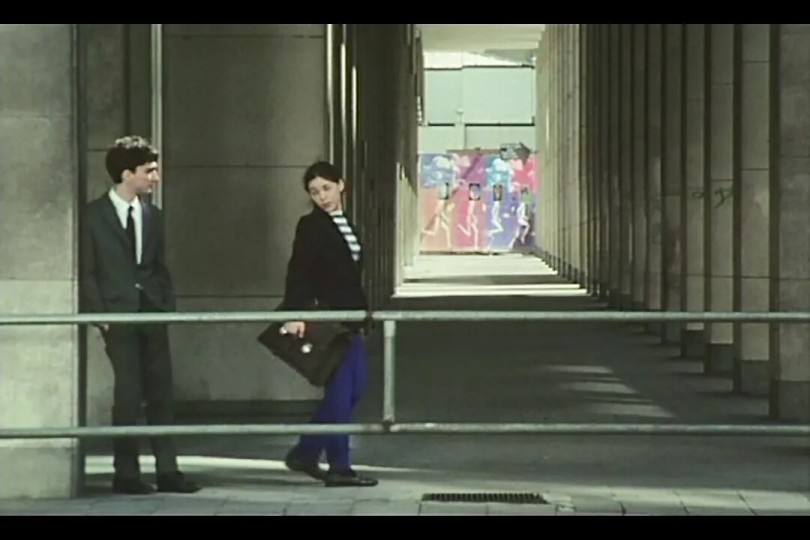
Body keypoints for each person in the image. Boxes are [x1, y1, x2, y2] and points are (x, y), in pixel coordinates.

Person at [80, 136, 200, 495]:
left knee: (162, 392)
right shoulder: (92, 216)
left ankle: (168, 470)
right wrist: (100, 315)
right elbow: (87, 271)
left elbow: (158, 266)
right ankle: (126, 474)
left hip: (152, 312)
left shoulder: (153, 215)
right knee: (129, 394)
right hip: (118, 315)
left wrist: (167, 305)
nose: (155, 178)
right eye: (149, 171)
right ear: (126, 173)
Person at [281, 161, 378, 488]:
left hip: (351, 318)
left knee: (356, 388)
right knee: (340, 393)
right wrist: (294, 314)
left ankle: (306, 451)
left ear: (341, 185)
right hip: (329, 321)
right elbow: (298, 272)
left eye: (326, 188)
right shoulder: (311, 226)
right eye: (314, 192)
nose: (321, 196)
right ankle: (339, 467)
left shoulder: (346, 223)